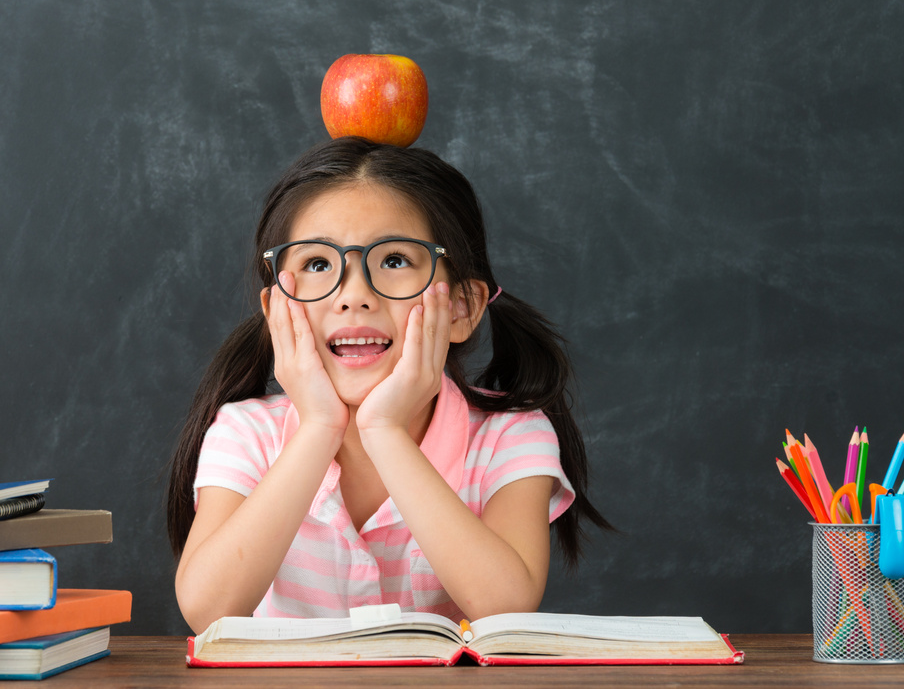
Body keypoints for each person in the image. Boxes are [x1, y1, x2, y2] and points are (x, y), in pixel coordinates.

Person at [168, 137, 610, 632]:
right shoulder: (245, 433)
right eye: (318, 264)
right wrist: (317, 428)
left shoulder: (510, 436)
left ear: (462, 307)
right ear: (276, 310)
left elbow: (505, 607)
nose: (353, 296)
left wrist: (386, 432)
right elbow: (208, 610)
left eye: (395, 260)